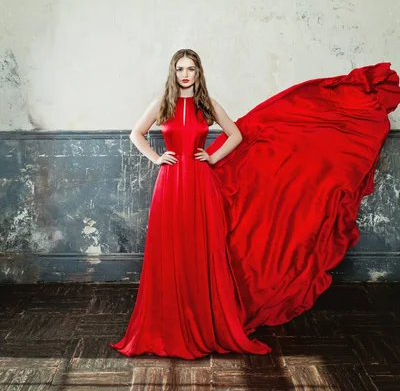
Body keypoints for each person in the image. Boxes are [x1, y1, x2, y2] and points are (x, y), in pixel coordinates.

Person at [110, 50, 400, 359]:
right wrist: (157, 158)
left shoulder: (205, 105)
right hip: (169, 184)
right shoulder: (162, 104)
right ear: (173, 72)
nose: (185, 74)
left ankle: (202, 321)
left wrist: (212, 157)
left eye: (191, 69)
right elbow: (135, 133)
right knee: (171, 247)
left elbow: (236, 134)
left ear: (198, 73)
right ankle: (167, 322)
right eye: (180, 68)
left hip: (199, 183)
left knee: (199, 248)